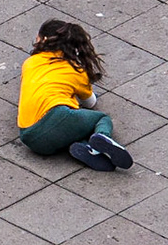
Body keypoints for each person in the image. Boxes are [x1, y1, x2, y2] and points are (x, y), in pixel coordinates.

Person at [18, 20, 130, 170]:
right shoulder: (76, 70)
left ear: (43, 40)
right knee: (101, 118)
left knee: (71, 130)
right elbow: (90, 103)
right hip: (57, 114)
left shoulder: (30, 63)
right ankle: (102, 136)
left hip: (31, 138)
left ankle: (88, 149)